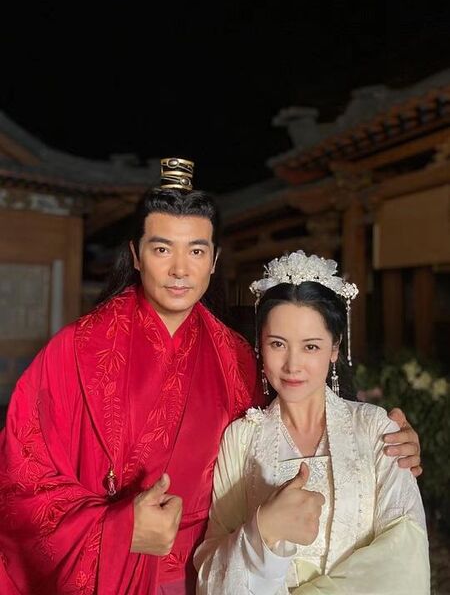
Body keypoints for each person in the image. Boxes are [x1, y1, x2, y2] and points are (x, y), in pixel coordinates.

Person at [0, 159, 420, 595]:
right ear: (135, 256)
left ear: (215, 260)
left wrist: (386, 444)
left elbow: (294, 423)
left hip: (208, 574)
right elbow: (19, 486)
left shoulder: (236, 356)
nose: (180, 270)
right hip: (110, 574)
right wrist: (120, 529)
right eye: (162, 250)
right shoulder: (74, 351)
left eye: (196, 251)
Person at [195, 250, 429, 594]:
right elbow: (211, 573)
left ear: (335, 348)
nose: (292, 365)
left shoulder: (376, 429)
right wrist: (263, 531)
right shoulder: (241, 438)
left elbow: (405, 555)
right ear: (260, 345)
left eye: (311, 347)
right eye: (278, 344)